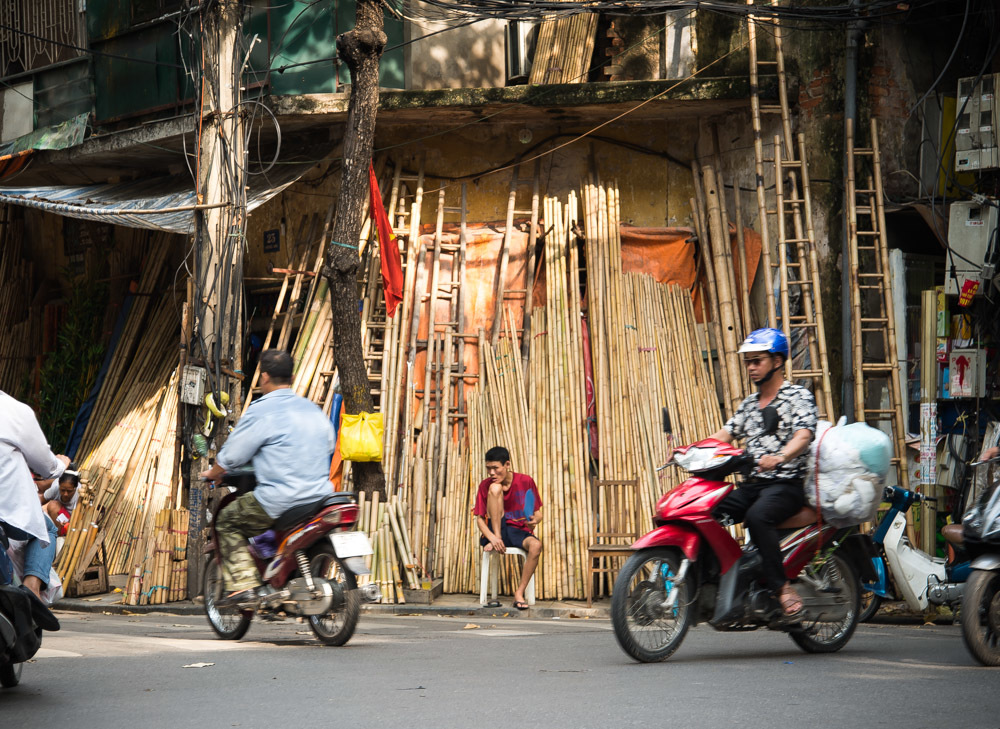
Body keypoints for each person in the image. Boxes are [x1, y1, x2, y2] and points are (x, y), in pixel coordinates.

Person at [200, 350, 335, 605]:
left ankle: (243, 587)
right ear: (292, 377)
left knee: (227, 520)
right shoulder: (311, 409)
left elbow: (233, 455)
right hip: (320, 496)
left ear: (263, 377)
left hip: (280, 500)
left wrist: (214, 472)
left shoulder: (262, 410)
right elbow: (329, 445)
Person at [706, 328, 818, 618]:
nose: (751, 367)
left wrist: (780, 457)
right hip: (752, 485)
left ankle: (782, 588)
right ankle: (728, 577)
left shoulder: (797, 396)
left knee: (758, 516)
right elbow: (725, 434)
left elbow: (803, 436)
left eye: (757, 361)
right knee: (708, 512)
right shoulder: (748, 404)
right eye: (748, 362)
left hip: (786, 484)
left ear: (777, 361)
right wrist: (693, 450)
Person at [0, 390, 70, 600]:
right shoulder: (14, 411)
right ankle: (32, 589)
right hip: (8, 514)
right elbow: (47, 466)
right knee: (46, 528)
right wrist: (62, 464)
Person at [473, 446, 542, 610]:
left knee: (536, 546)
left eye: (495, 468)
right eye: (488, 468)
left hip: (518, 530)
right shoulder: (486, 485)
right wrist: (493, 537)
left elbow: (538, 514)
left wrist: (534, 521)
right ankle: (498, 537)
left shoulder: (526, 481)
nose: (491, 472)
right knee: (495, 488)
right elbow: (480, 519)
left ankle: (519, 593)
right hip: (495, 530)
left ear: (507, 465)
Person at [39, 467, 80, 537]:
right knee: (52, 506)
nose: (65, 494)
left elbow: (79, 519)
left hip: (73, 522)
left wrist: (69, 523)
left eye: (69, 491)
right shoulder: (55, 488)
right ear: (59, 486)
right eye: (63, 490)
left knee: (52, 506)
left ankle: (60, 536)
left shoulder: (79, 495)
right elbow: (39, 501)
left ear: (75, 488)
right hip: (59, 518)